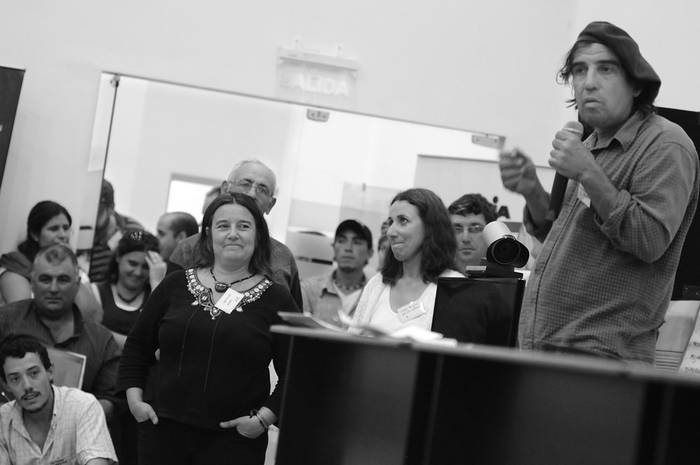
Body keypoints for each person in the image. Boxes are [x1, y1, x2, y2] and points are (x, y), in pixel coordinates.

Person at [498, 21, 699, 362]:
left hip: (604, 359)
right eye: (579, 70)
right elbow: (558, 234)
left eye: (605, 69)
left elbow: (649, 240)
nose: (588, 82)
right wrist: (532, 190)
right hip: (549, 348)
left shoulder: (666, 144)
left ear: (636, 83)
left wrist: (588, 172)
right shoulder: (588, 144)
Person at [118, 193, 300, 465]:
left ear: (259, 235)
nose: (233, 234)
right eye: (223, 225)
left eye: (244, 226)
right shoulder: (174, 285)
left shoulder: (277, 299)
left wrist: (264, 419)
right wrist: (135, 403)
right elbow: (137, 347)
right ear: (208, 234)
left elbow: (299, 368)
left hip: (234, 443)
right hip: (161, 435)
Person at [0, 244, 121, 419]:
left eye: (63, 279)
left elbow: (111, 400)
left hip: (75, 437)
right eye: (45, 279)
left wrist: (74, 418)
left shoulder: (101, 340)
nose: (54, 289)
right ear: (32, 282)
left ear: (77, 284)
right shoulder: (5, 322)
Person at [169, 159, 303, 308]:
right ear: (225, 189)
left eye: (262, 189)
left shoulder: (282, 257)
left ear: (270, 205)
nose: (252, 194)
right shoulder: (189, 248)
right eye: (245, 184)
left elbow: (293, 324)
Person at [352, 188, 462, 333]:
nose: (390, 232)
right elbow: (351, 344)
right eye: (390, 222)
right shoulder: (377, 284)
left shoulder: (455, 287)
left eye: (403, 220)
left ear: (430, 227)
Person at [0, 334, 117, 464]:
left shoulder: (83, 405)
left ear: (50, 372)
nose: (27, 386)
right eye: (15, 379)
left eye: (34, 373)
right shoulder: (3, 420)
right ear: (6, 385)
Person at [0, 200, 101, 320]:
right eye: (54, 229)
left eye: (66, 228)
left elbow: (93, 316)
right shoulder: (16, 268)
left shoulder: (76, 270)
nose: (63, 235)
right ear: (35, 234)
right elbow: (23, 320)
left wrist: (72, 266)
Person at [91, 230, 161, 349]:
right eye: (132, 264)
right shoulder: (95, 291)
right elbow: (91, 335)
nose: (138, 273)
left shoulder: (155, 296)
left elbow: (159, 340)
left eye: (145, 267)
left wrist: (158, 284)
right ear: (118, 257)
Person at [301, 220, 373, 326]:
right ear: (334, 248)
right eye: (341, 241)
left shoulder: (377, 294)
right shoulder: (309, 290)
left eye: (357, 242)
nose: (348, 248)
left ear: (369, 253)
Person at [86, 179, 143, 283]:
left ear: (111, 208)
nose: (88, 217)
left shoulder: (134, 231)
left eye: (96, 211)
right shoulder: (75, 230)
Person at [447, 194, 498, 273]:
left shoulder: (510, 281)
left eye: (476, 229)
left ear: (491, 234)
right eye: (457, 229)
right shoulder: (431, 280)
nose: (465, 238)